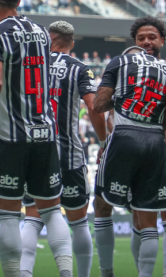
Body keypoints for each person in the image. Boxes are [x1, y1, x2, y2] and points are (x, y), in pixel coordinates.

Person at [0, 0, 73, 277]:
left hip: (10, 138)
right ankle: (66, 272)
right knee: (52, 210)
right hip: (44, 133)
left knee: (9, 215)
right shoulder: (40, 32)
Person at [18, 21, 107, 277]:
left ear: (49, 38)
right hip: (68, 154)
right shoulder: (78, 68)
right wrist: (103, 142)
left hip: (34, 153)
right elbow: (93, 107)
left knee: (33, 217)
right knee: (78, 222)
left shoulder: (30, 66)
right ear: (72, 43)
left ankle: (24, 273)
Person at [93, 21, 166, 277]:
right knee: (148, 218)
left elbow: (98, 105)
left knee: (102, 205)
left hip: (125, 139)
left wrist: (125, 96)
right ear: (136, 42)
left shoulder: (119, 62)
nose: (146, 42)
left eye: (151, 37)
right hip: (157, 142)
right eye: (141, 38)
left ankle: (107, 272)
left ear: (162, 40)